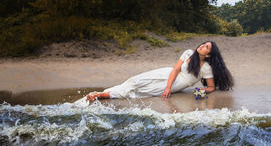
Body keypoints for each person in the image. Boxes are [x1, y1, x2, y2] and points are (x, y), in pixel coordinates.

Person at [85, 41, 233, 101]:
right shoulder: (188, 53)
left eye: (206, 47)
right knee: (136, 80)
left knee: (142, 91)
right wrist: (168, 86)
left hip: (179, 84)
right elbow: (175, 69)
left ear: (208, 55)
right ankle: (106, 92)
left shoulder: (206, 67)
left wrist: (199, 92)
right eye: (203, 44)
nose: (202, 46)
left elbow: (211, 87)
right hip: (168, 74)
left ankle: (102, 95)